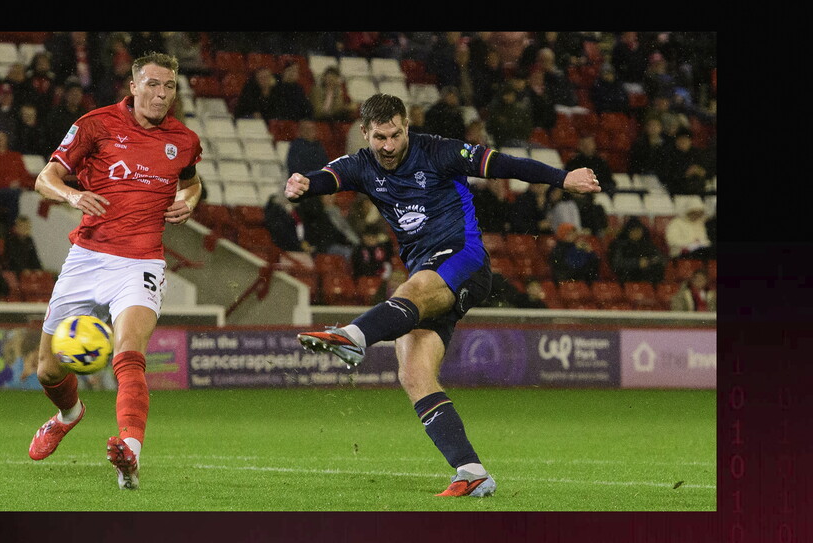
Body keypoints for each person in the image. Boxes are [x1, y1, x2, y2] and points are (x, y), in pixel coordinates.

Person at [286, 93, 600, 497]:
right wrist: (306, 183)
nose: (388, 145)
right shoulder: (361, 165)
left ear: (406, 128)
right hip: (428, 275)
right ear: (364, 133)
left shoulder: (439, 151)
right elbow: (328, 178)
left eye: (396, 135)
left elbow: (503, 163)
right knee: (414, 373)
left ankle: (355, 338)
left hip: (464, 260)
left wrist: (563, 178)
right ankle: (471, 472)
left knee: (410, 289)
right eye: (380, 137)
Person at [28, 52, 203, 491]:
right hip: (88, 256)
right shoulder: (96, 124)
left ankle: (130, 455)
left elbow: (192, 180)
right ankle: (69, 414)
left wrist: (191, 200)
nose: (161, 94)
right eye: (153, 84)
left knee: (130, 349)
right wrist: (70, 196)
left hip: (142, 261)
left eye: (169, 87)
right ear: (134, 85)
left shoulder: (183, 139)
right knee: (48, 369)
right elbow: (44, 178)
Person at [607, 216, 666, 284]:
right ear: (628, 231)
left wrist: (649, 261)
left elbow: (660, 257)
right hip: (628, 278)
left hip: (648, 278)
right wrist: (637, 263)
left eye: (639, 230)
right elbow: (617, 263)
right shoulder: (619, 244)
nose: (637, 233)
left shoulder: (646, 243)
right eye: (634, 230)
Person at [655, 127, 711, 196]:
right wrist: (685, 173)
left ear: (690, 141)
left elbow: (707, 171)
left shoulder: (697, 154)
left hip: (697, 192)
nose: (683, 142)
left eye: (686, 140)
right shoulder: (669, 155)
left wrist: (700, 171)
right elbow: (666, 175)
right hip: (676, 192)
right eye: (681, 140)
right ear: (676, 141)